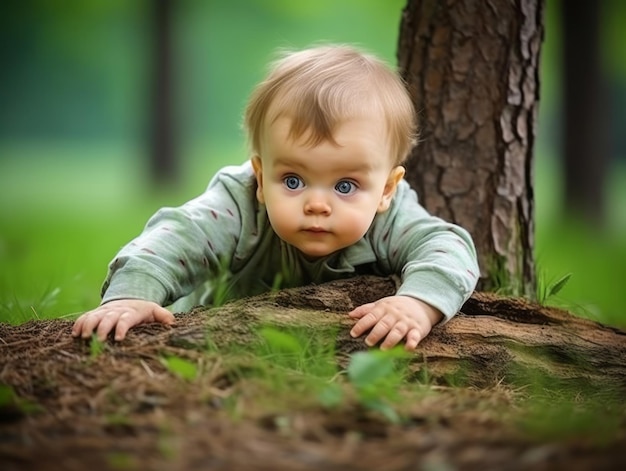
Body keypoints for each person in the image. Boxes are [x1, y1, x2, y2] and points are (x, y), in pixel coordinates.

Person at [71, 44, 479, 351]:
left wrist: (417, 304)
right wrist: (132, 295)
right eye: (294, 180)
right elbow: (174, 239)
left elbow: (447, 247)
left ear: (386, 190)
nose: (317, 204)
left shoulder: (392, 218)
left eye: (345, 187)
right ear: (262, 177)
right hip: (222, 339)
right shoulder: (240, 203)